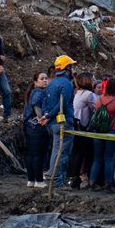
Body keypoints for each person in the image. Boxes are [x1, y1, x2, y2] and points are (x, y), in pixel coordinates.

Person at [43, 55, 77, 188]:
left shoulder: (52, 83)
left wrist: (47, 115)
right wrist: (50, 115)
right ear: (67, 68)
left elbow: (46, 102)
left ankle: (53, 178)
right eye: (72, 67)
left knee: (56, 151)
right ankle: (58, 181)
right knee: (62, 154)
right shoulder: (66, 84)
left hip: (53, 123)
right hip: (63, 122)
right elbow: (62, 104)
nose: (73, 70)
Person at [90, 79, 115, 191]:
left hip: (98, 131)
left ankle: (92, 181)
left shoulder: (99, 99)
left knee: (97, 158)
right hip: (113, 130)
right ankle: (108, 183)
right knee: (109, 158)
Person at [22, 70, 52, 187]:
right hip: (36, 127)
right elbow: (36, 106)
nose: (45, 80)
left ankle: (31, 180)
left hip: (29, 126)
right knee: (38, 155)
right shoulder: (39, 92)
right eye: (42, 79)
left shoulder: (33, 92)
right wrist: (41, 118)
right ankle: (39, 181)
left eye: (46, 78)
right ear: (35, 82)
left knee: (30, 154)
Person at [69, 71, 97, 188]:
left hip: (76, 124)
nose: (94, 81)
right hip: (84, 126)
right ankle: (82, 177)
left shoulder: (78, 92)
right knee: (84, 153)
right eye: (93, 79)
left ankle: (73, 177)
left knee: (76, 152)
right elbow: (96, 109)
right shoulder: (89, 95)